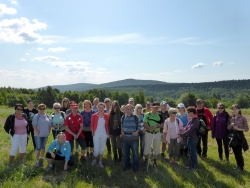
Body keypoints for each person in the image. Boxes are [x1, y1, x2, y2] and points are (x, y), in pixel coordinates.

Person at [227, 104, 249, 171]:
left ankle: (241, 167)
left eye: (235, 109)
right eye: (233, 109)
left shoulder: (242, 118)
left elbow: (247, 129)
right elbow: (228, 128)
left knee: (239, 152)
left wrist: (238, 129)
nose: (234, 110)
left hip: (239, 136)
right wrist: (230, 125)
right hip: (232, 136)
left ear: (239, 110)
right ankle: (238, 165)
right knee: (235, 151)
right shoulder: (230, 118)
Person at [143, 102, 164, 167]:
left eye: (157, 107)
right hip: (149, 133)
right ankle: (146, 160)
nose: (156, 108)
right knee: (147, 147)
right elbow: (144, 124)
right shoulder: (147, 115)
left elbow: (162, 125)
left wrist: (157, 126)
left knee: (156, 147)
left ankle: (154, 161)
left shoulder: (160, 115)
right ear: (152, 107)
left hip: (157, 133)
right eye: (155, 107)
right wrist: (150, 128)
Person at [121, 104, 140, 172]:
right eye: (127, 109)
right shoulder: (123, 117)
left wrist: (136, 132)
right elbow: (121, 127)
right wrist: (122, 132)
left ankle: (135, 167)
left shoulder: (136, 117)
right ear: (125, 110)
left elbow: (140, 126)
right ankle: (127, 166)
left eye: (130, 109)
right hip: (125, 139)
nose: (129, 110)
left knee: (135, 154)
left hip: (134, 139)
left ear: (132, 110)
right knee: (126, 154)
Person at [180, 106, 200, 171]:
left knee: (193, 153)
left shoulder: (196, 120)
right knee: (190, 153)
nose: (187, 113)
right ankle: (191, 166)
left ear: (192, 112)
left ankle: (194, 167)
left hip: (193, 138)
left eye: (188, 112)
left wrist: (181, 134)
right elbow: (186, 128)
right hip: (189, 138)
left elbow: (190, 129)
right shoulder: (191, 119)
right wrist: (181, 130)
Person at [90, 102, 110, 168]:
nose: (101, 109)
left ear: (104, 108)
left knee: (102, 148)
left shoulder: (107, 116)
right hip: (96, 134)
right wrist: (93, 133)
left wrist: (108, 133)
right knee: (96, 149)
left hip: (104, 134)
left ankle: (100, 161)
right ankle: (94, 160)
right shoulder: (94, 116)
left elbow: (108, 126)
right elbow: (92, 125)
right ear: (97, 108)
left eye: (102, 108)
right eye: (99, 107)